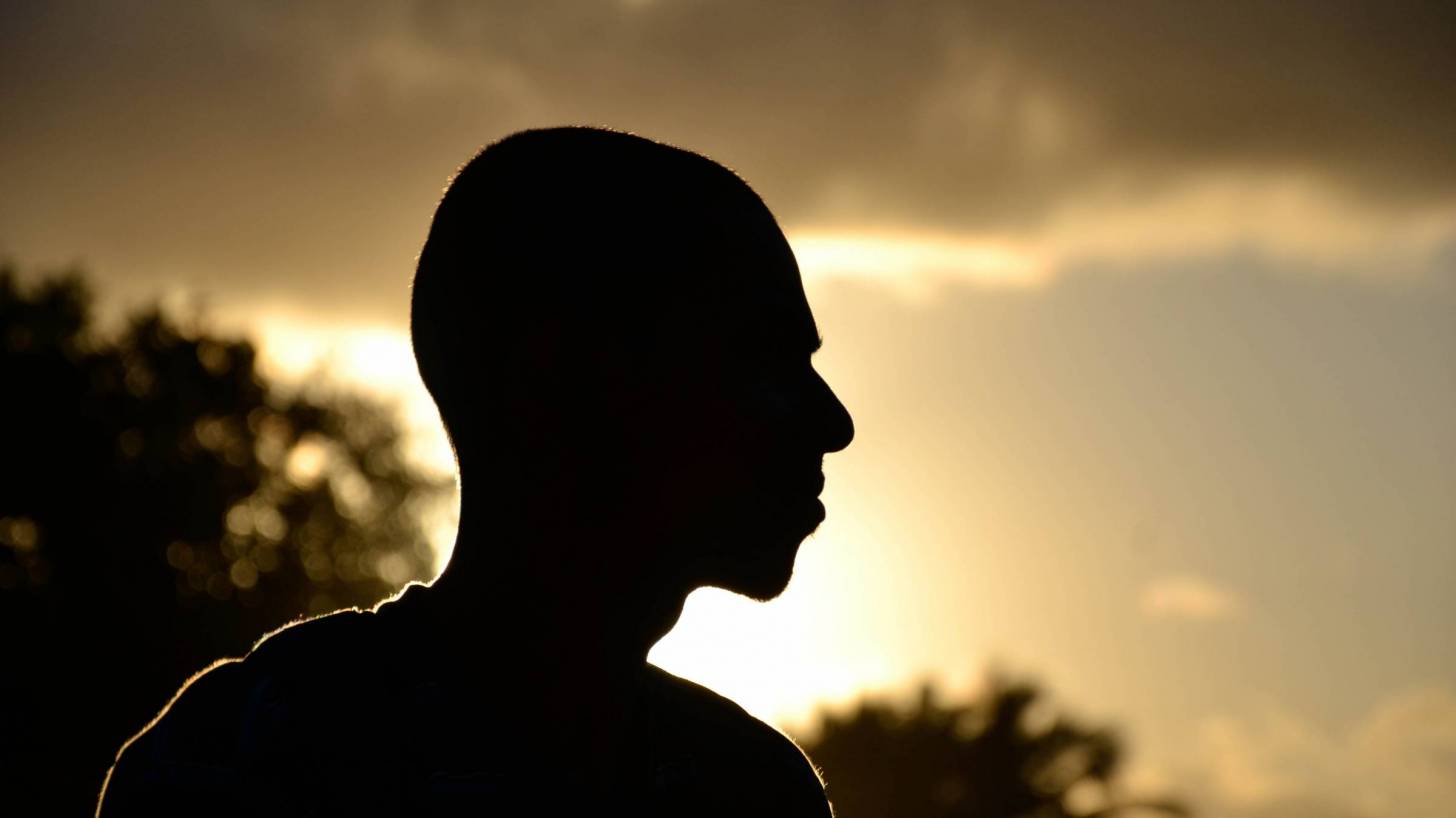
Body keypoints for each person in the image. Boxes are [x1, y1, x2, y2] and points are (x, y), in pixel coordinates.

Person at [97, 126, 855, 816]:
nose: (834, 423)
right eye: (766, 360)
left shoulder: (754, 791)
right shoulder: (254, 762)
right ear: (560, 377)